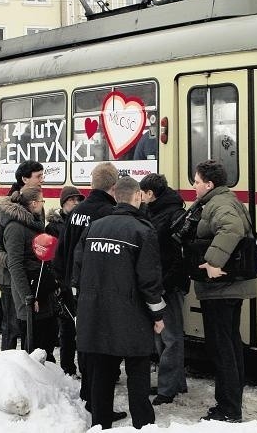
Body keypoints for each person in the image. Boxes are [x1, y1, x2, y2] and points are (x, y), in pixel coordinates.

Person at [72, 176, 165, 430]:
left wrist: (82, 305)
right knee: (138, 373)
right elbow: (149, 281)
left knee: (101, 372)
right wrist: (158, 315)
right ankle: (143, 425)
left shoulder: (94, 228)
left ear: (115, 197)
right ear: (137, 197)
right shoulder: (143, 231)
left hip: (96, 312)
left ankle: (100, 424)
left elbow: (77, 270)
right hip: (131, 315)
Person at [52, 162, 126, 422]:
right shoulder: (109, 212)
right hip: (97, 289)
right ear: (114, 187)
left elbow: (61, 252)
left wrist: (63, 284)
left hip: (74, 288)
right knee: (102, 349)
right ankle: (98, 405)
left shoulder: (76, 212)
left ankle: (86, 395)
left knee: (83, 342)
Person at [188, 160, 256, 423]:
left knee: (222, 348)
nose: (194, 186)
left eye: (196, 181)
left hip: (222, 288)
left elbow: (231, 229)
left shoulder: (220, 204)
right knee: (230, 344)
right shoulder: (224, 200)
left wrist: (213, 263)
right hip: (229, 287)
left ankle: (228, 409)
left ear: (209, 184)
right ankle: (231, 402)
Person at [139, 173, 188, 405]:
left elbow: (177, 256)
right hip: (158, 283)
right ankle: (173, 382)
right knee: (161, 335)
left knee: (170, 336)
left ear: (150, 194)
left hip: (168, 284)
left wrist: (165, 285)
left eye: (143, 193)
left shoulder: (173, 214)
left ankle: (168, 388)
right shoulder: (156, 210)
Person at [0, 160, 44, 350]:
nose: (41, 181)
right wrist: (12, 262)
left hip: (28, 274)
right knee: (12, 326)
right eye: (38, 177)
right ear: (24, 179)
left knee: (29, 324)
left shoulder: (37, 204)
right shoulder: (5, 206)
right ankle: (9, 368)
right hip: (7, 276)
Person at [3, 185, 57, 360]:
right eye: (42, 201)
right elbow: (15, 265)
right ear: (34, 203)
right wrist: (28, 297)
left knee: (46, 336)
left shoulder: (34, 222)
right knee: (32, 341)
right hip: (28, 293)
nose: (43, 204)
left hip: (39, 288)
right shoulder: (16, 228)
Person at [45, 185, 84, 375]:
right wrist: (57, 283)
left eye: (78, 200)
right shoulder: (53, 226)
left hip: (79, 280)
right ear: (63, 203)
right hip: (64, 282)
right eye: (71, 200)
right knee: (67, 327)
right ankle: (68, 368)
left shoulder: (81, 222)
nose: (76, 204)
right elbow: (51, 257)